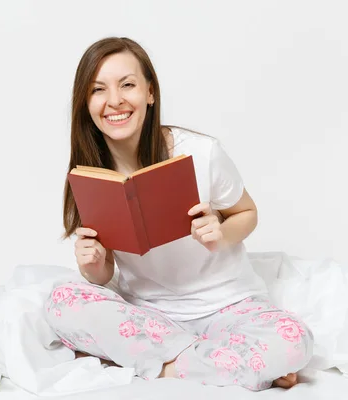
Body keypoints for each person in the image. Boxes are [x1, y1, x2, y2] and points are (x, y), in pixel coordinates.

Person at [44, 37, 313, 391]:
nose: (114, 101)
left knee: (294, 340)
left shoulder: (201, 153)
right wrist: (93, 268)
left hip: (229, 306)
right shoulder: (91, 174)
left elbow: (247, 212)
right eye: (98, 90)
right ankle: (228, 365)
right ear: (86, 103)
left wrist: (222, 232)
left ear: (150, 92)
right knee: (61, 302)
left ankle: (162, 365)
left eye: (127, 85)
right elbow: (104, 271)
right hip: (150, 316)